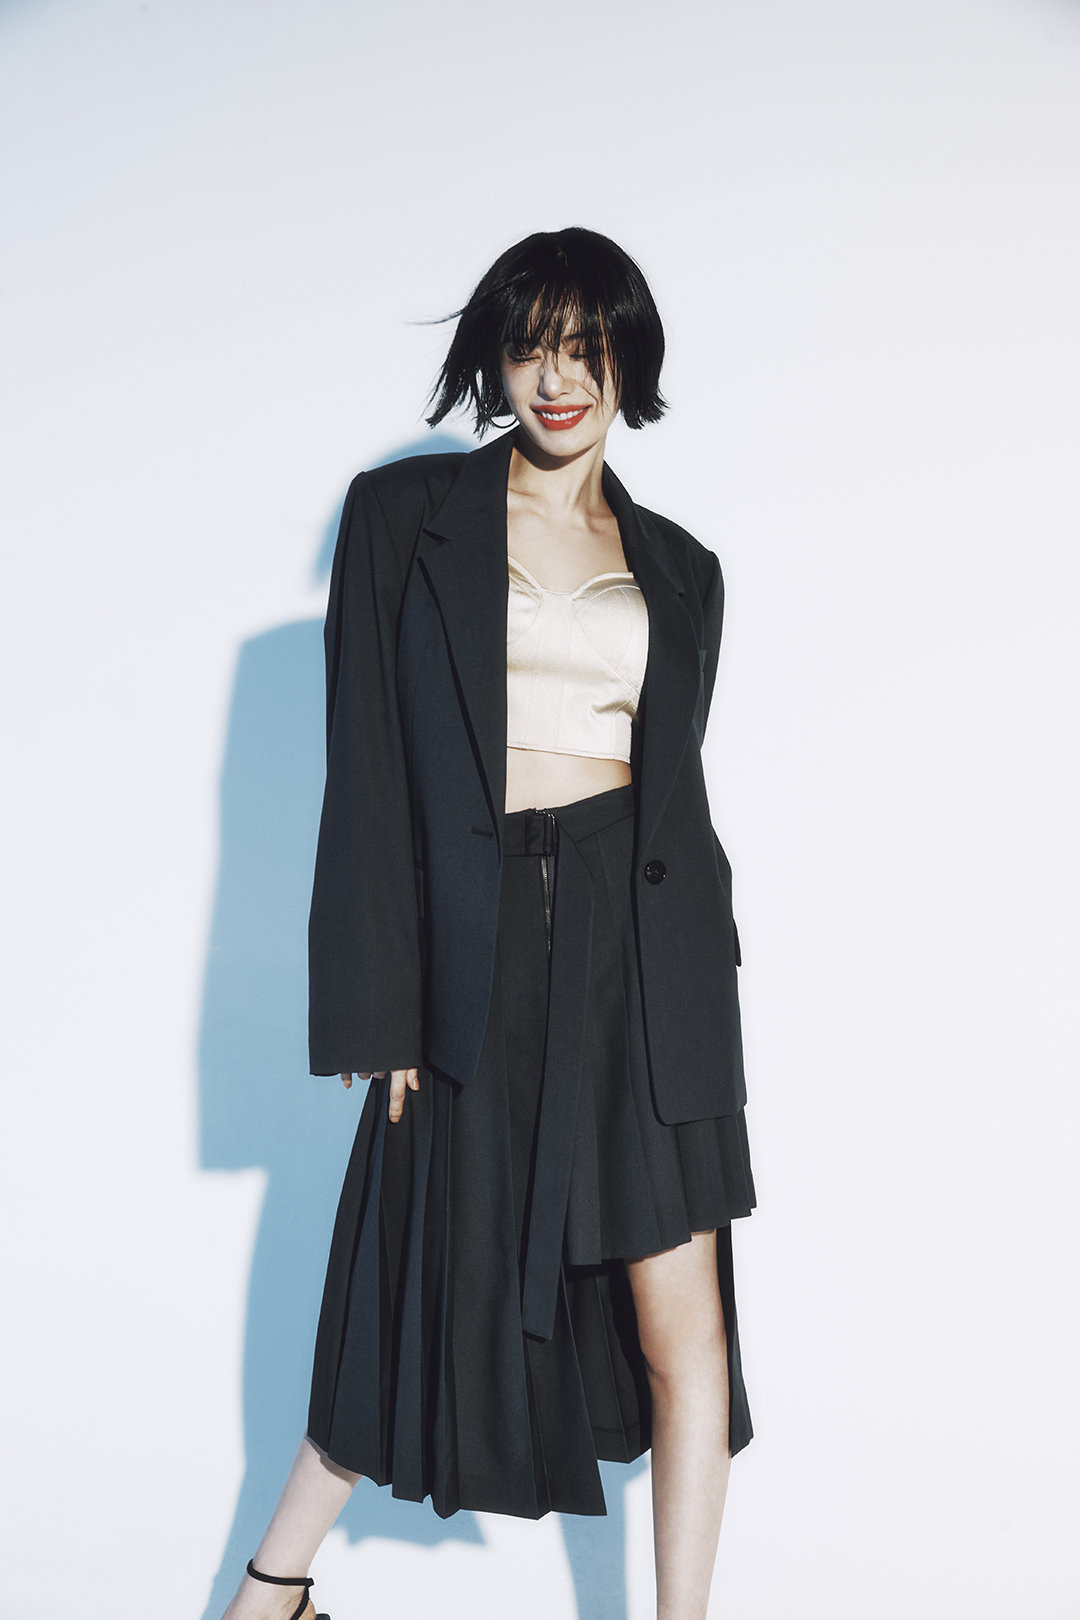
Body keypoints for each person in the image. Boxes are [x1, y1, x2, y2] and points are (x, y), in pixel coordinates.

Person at [222, 226, 757, 1620]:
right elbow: (366, 768)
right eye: (531, 349)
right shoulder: (406, 519)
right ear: (496, 363)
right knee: (417, 1281)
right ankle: (274, 1591)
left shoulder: (683, 568)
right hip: (475, 947)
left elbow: (675, 796)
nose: (558, 378)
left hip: (648, 968)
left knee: (683, 1322)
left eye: (586, 349)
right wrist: (382, 1003)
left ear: (628, 359)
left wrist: (696, 987)